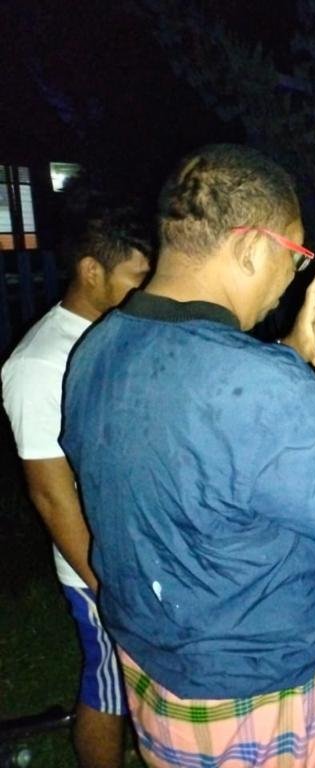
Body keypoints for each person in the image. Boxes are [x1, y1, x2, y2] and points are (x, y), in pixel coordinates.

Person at [58, 144, 315, 766]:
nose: (293, 276)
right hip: (254, 685)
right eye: (295, 255)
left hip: (156, 660)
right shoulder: (252, 384)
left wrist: (290, 352)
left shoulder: (98, 349)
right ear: (251, 248)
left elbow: (201, 434)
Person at [2, 203, 151, 768]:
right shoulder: (39, 363)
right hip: (98, 563)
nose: (145, 289)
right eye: (136, 276)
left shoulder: (122, 331)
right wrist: (102, 580)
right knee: (107, 681)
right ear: (92, 271)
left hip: (146, 545)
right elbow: (48, 491)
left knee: (145, 675)